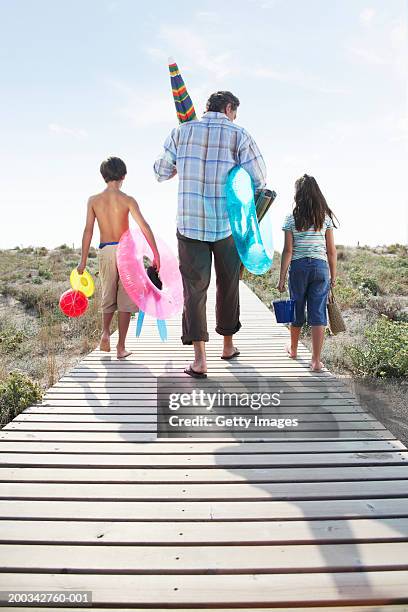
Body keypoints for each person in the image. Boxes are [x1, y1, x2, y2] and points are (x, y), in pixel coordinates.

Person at [154, 91, 266, 378]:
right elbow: (259, 177)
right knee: (228, 284)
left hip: (190, 224)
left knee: (195, 290)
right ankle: (228, 346)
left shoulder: (181, 131)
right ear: (229, 108)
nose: (234, 118)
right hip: (226, 225)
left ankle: (200, 360)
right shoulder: (239, 134)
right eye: (234, 113)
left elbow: (160, 171)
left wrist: (184, 165)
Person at [77, 156, 160, 359]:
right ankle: (121, 348)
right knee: (125, 298)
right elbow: (144, 226)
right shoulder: (128, 200)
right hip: (125, 251)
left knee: (108, 293)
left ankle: (105, 333)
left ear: (103, 176)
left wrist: (83, 260)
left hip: (106, 250)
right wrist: (156, 254)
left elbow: (88, 230)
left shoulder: (94, 200)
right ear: (123, 176)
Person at [277, 174, 338, 372]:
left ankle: (293, 350)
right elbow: (331, 251)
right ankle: (315, 360)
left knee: (296, 307)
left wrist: (281, 278)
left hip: (299, 268)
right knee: (318, 311)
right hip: (320, 268)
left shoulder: (291, 219)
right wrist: (333, 275)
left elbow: (288, 251)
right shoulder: (324, 218)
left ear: (298, 195)